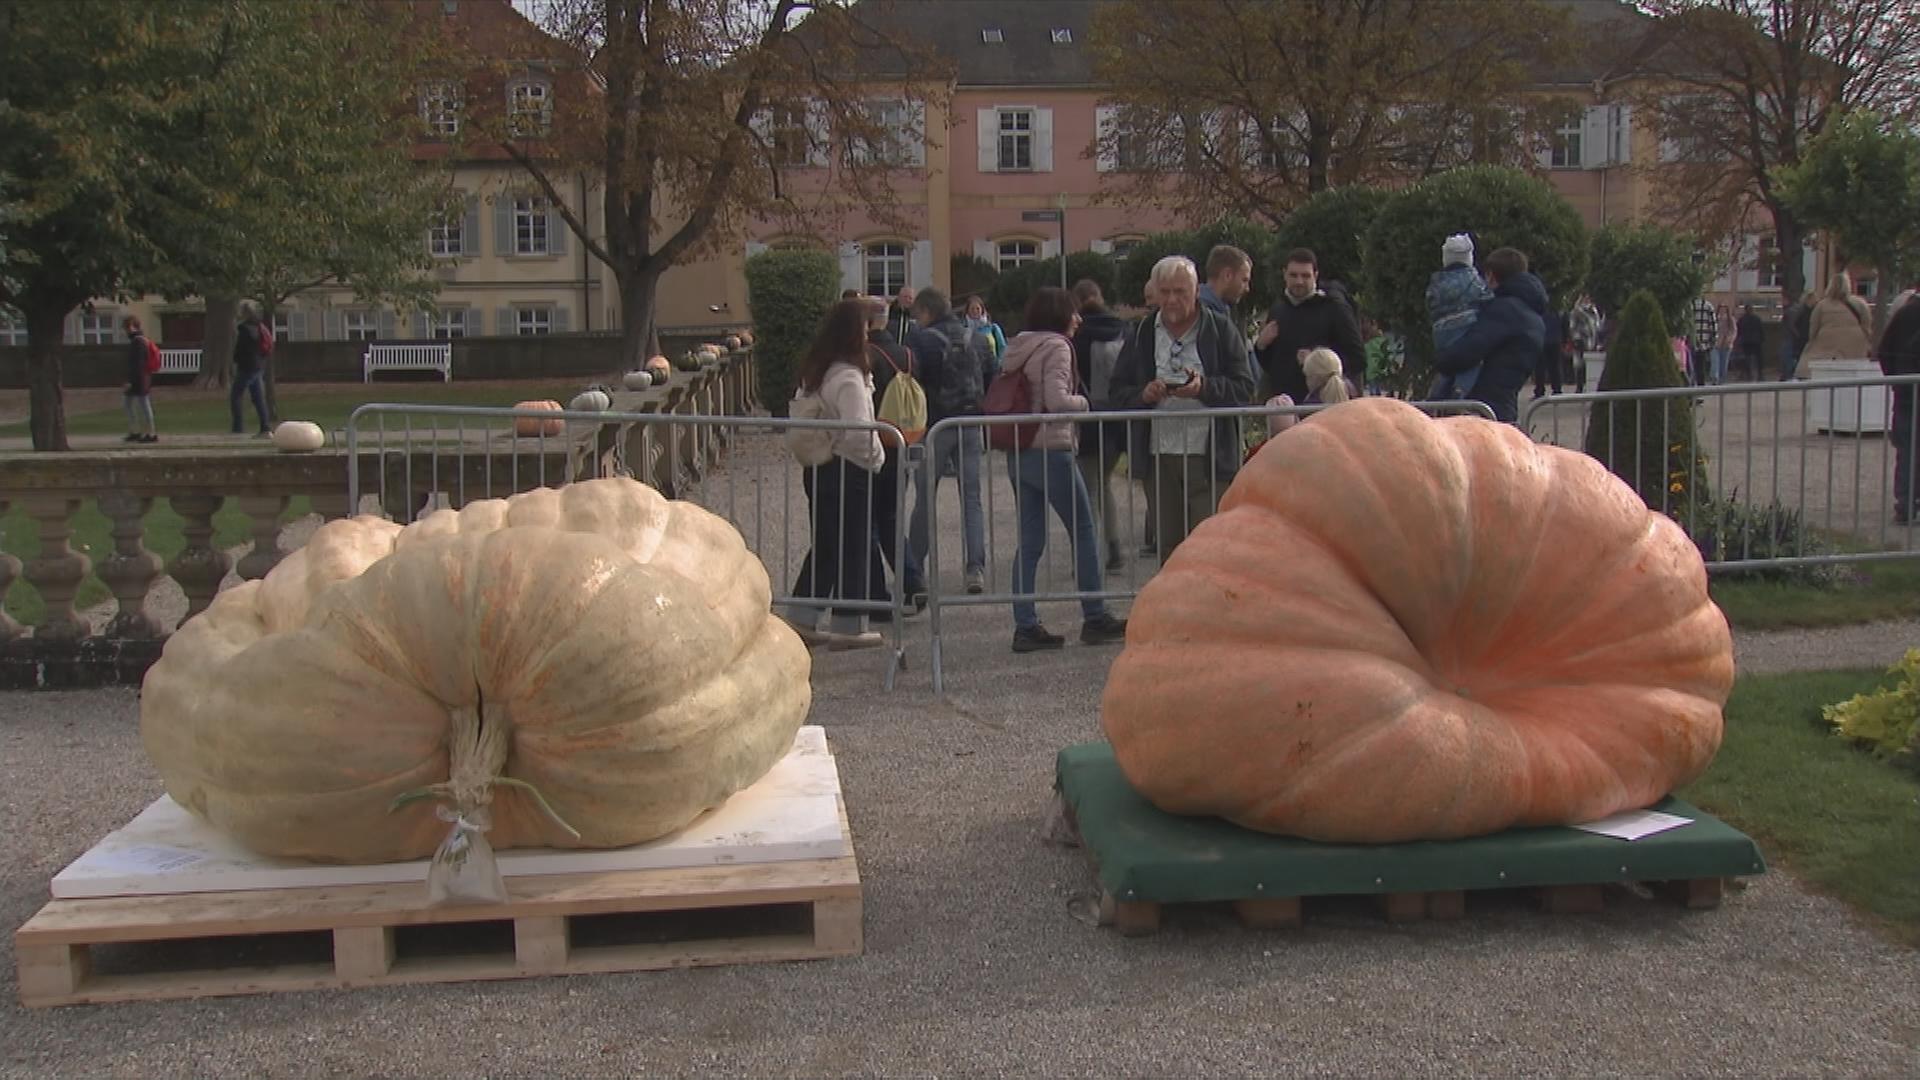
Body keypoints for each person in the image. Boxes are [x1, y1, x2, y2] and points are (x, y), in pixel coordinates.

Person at [999, 286, 1130, 653]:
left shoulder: (1017, 346)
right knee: (1084, 530)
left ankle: (1025, 624)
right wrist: (1086, 403)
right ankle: (1094, 614)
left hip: (1019, 447)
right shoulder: (1056, 346)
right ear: (1059, 315)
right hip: (1051, 447)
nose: (1078, 319)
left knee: (1030, 541)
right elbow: (1057, 400)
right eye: (1073, 312)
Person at [1109, 255, 1256, 557]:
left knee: (1210, 544)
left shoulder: (1220, 329)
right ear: (1154, 292)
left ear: (1195, 291)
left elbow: (1245, 387)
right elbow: (1117, 391)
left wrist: (1205, 388)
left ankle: (1210, 604)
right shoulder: (1142, 333)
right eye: (1165, 292)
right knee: (1168, 547)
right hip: (1158, 454)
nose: (1173, 300)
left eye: (1181, 292)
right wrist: (1144, 395)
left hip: (1209, 455)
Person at [780, 299, 887, 651]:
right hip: (848, 470)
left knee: (827, 544)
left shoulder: (819, 371)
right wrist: (875, 458)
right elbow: (858, 432)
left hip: (821, 469)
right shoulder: (849, 378)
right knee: (853, 546)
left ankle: (803, 615)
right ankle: (849, 625)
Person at [905, 288, 995, 596]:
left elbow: (913, 380)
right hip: (970, 423)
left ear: (927, 312)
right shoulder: (978, 339)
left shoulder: (921, 340)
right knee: (972, 498)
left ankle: (914, 570)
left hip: (936, 425)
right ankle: (975, 568)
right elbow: (991, 374)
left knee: (924, 499)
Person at [1432, 247, 1546, 423]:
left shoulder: (1504, 310)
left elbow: (1471, 348)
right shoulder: (1533, 312)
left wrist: (1443, 359)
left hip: (1482, 407)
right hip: (1505, 404)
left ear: (1491, 276)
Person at [864, 297, 924, 612]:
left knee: (869, 524)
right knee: (890, 519)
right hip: (900, 440)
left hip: (873, 442)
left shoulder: (866, 356)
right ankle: (913, 582)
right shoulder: (907, 354)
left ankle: (876, 593)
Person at [1070, 279, 1132, 572]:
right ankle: (1115, 547)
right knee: (1105, 484)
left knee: (1088, 489)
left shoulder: (1077, 337)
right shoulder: (1124, 329)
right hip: (1118, 417)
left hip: (1089, 417)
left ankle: (1089, 556)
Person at [1254, 247, 1365, 405]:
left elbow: (1357, 358)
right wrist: (1261, 346)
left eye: (1305, 275)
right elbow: (1271, 364)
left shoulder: (1334, 308)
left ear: (1316, 275)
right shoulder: (1279, 308)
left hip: (1323, 407)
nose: (1299, 281)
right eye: (1293, 275)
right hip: (1285, 408)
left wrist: (1318, 362)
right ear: (1284, 274)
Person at [1426, 233, 1492, 399]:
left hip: (1440, 330)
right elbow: (1486, 298)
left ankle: (1437, 394)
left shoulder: (1437, 281)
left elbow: (1430, 303)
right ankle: (1461, 390)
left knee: (1448, 364)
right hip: (1466, 327)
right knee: (1470, 363)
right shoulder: (1474, 279)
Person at [1874, 289, 1920, 523]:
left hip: (1905, 392)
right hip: (1908, 389)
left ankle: (1905, 503)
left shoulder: (1903, 314)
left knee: (1907, 449)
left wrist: (1895, 379)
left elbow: (1884, 351)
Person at [1802, 274, 1874, 364]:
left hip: (1827, 345)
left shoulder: (1821, 305)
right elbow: (1867, 324)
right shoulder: (1860, 303)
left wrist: (1811, 342)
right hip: (1855, 345)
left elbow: (1813, 328)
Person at [231, 301, 272, 436]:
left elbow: (241, 349)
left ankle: (238, 427)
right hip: (258, 365)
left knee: (236, 395)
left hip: (247, 367)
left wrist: (235, 360)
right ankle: (265, 427)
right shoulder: (259, 327)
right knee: (258, 397)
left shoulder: (244, 329)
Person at [121, 315, 158, 444]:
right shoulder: (140, 340)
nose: (125, 331)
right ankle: (138, 431)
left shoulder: (138, 342)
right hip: (142, 377)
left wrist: (130, 381)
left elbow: (137, 364)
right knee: (133, 404)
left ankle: (149, 432)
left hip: (140, 378)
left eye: (127, 327)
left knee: (140, 404)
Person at [1197, 244, 1253, 319]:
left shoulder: (1213, 311)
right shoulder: (1204, 316)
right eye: (1244, 280)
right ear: (1227, 275)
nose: (1247, 288)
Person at [1779, 290, 1813, 381]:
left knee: (1788, 357)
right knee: (1790, 357)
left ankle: (1788, 375)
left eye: (1783, 299)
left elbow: (1791, 325)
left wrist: (1797, 335)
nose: (1781, 302)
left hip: (1790, 338)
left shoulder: (1791, 311)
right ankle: (1788, 374)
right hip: (1792, 338)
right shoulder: (1797, 309)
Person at [963, 294, 1007, 364]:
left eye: (977, 308)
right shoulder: (963, 330)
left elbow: (1002, 348)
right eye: (972, 309)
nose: (975, 311)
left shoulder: (993, 328)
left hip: (993, 369)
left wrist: (999, 363)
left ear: (982, 310)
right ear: (967, 311)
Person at [1690, 297, 1719, 387]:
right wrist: (1713, 340)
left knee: (1690, 366)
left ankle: (1690, 387)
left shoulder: (1689, 306)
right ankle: (1700, 388)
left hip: (1690, 342)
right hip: (1703, 342)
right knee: (1700, 367)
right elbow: (1713, 325)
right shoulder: (1708, 306)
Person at [1733, 303, 1766, 381]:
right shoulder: (1757, 318)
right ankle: (1760, 375)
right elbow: (1761, 330)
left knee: (1746, 358)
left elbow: (1738, 331)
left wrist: (1738, 340)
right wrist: (1762, 339)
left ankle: (1747, 374)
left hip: (1746, 341)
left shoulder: (1742, 319)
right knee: (1758, 358)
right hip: (1756, 341)